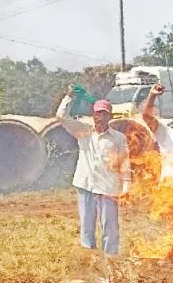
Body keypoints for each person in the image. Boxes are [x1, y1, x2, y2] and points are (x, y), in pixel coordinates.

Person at [56, 89, 131, 254]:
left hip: (108, 188)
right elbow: (61, 117)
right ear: (93, 115)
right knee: (87, 226)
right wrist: (69, 96)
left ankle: (110, 260)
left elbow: (124, 162)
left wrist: (126, 187)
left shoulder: (118, 138)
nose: (101, 118)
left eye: (105, 114)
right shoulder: (83, 131)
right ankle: (89, 259)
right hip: (86, 185)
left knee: (110, 227)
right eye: (98, 114)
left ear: (110, 117)